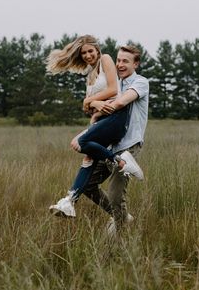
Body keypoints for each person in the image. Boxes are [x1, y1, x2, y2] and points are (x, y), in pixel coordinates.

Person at [46, 35, 143, 217]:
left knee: (81, 143)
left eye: (91, 51)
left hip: (116, 117)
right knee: (88, 161)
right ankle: (70, 201)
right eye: (84, 53)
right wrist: (94, 105)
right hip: (102, 120)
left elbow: (113, 90)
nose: (88, 55)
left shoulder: (105, 59)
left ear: (97, 50)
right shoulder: (90, 74)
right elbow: (88, 108)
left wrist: (90, 100)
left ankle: (120, 161)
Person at [81, 44, 149, 233]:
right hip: (108, 146)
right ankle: (122, 217)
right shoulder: (114, 84)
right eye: (118, 60)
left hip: (128, 147)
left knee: (115, 196)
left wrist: (95, 102)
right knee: (87, 185)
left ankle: (119, 239)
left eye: (125, 61)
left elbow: (119, 102)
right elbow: (92, 108)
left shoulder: (141, 82)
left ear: (136, 64)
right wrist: (93, 102)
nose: (119, 64)